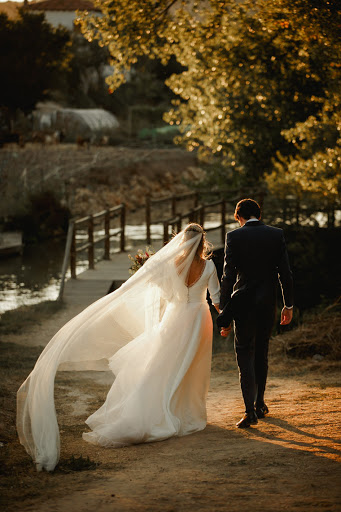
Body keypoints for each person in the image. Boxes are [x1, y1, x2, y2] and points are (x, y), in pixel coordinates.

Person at [17, 223, 220, 471]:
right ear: (202, 242)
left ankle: (162, 410)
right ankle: (186, 413)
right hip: (199, 319)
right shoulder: (209, 265)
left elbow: (165, 293)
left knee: (164, 365)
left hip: (175, 318)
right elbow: (216, 297)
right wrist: (226, 319)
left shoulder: (170, 265)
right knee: (193, 366)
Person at [217, 198, 293, 428]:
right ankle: (260, 404)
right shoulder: (276, 234)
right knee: (262, 351)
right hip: (267, 302)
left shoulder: (234, 236)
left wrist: (224, 311)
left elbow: (228, 276)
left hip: (243, 303)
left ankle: (249, 412)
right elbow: (285, 273)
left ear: (239, 216)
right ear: (258, 215)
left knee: (243, 353)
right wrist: (288, 305)